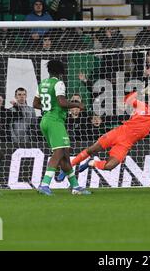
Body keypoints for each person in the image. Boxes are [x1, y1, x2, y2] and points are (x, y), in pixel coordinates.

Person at [61, 89, 150, 177]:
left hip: (126, 144)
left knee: (109, 166)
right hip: (118, 133)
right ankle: (69, 166)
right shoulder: (141, 106)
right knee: (92, 149)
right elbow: (127, 99)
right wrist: (142, 91)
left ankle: (92, 163)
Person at [33, 60, 90, 196]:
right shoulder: (59, 83)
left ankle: (75, 186)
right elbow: (62, 102)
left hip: (45, 120)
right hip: (55, 121)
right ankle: (45, 184)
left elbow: (35, 104)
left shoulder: (42, 84)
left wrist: (48, 107)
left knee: (65, 154)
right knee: (59, 152)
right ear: (60, 71)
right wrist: (78, 105)